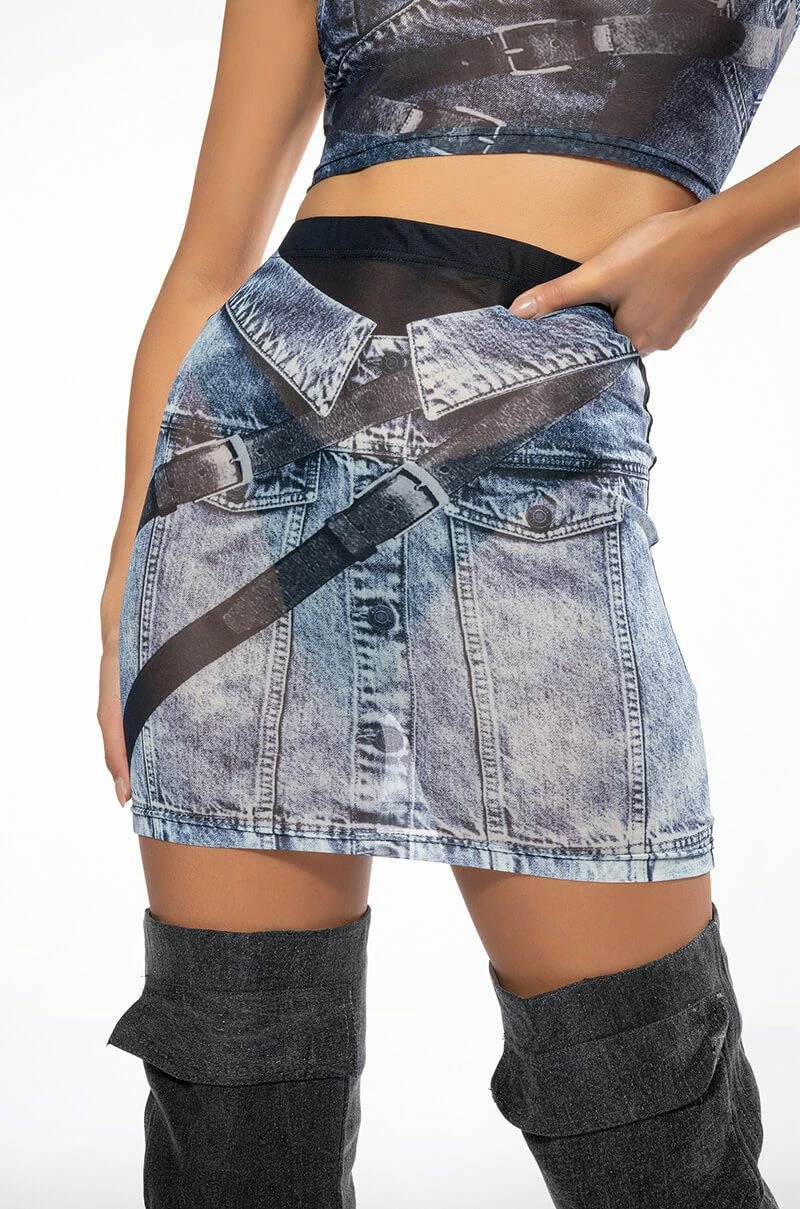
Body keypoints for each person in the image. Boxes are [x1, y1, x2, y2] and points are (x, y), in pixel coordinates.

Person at [97, 2, 798, 1205]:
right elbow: (207, 263)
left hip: (532, 444)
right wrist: (127, 563)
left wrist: (719, 233)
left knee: (637, 1103)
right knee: (233, 1101)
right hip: (240, 460)